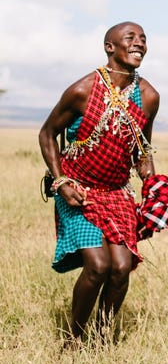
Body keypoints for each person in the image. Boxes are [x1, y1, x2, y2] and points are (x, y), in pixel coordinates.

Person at [39, 22, 160, 341]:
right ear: (110, 47)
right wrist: (61, 182)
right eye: (130, 38)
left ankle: (102, 337)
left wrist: (152, 184)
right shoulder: (83, 89)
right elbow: (47, 133)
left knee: (120, 267)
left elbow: (142, 149)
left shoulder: (148, 96)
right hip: (77, 188)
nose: (139, 43)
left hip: (117, 192)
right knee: (97, 265)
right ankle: (73, 341)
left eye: (143, 39)